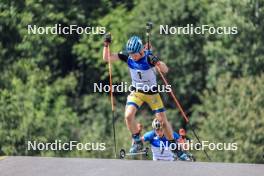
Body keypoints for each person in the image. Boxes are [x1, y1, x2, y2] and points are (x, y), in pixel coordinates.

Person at [103, 33, 190, 161]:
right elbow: (107, 58)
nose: (133, 56)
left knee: (162, 122)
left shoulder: (148, 58)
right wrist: (106, 44)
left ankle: (174, 147)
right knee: (128, 116)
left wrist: (158, 63)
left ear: (141, 51)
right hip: (137, 92)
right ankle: (137, 140)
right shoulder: (128, 56)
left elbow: (165, 70)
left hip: (152, 93)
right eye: (131, 54)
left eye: (135, 54)